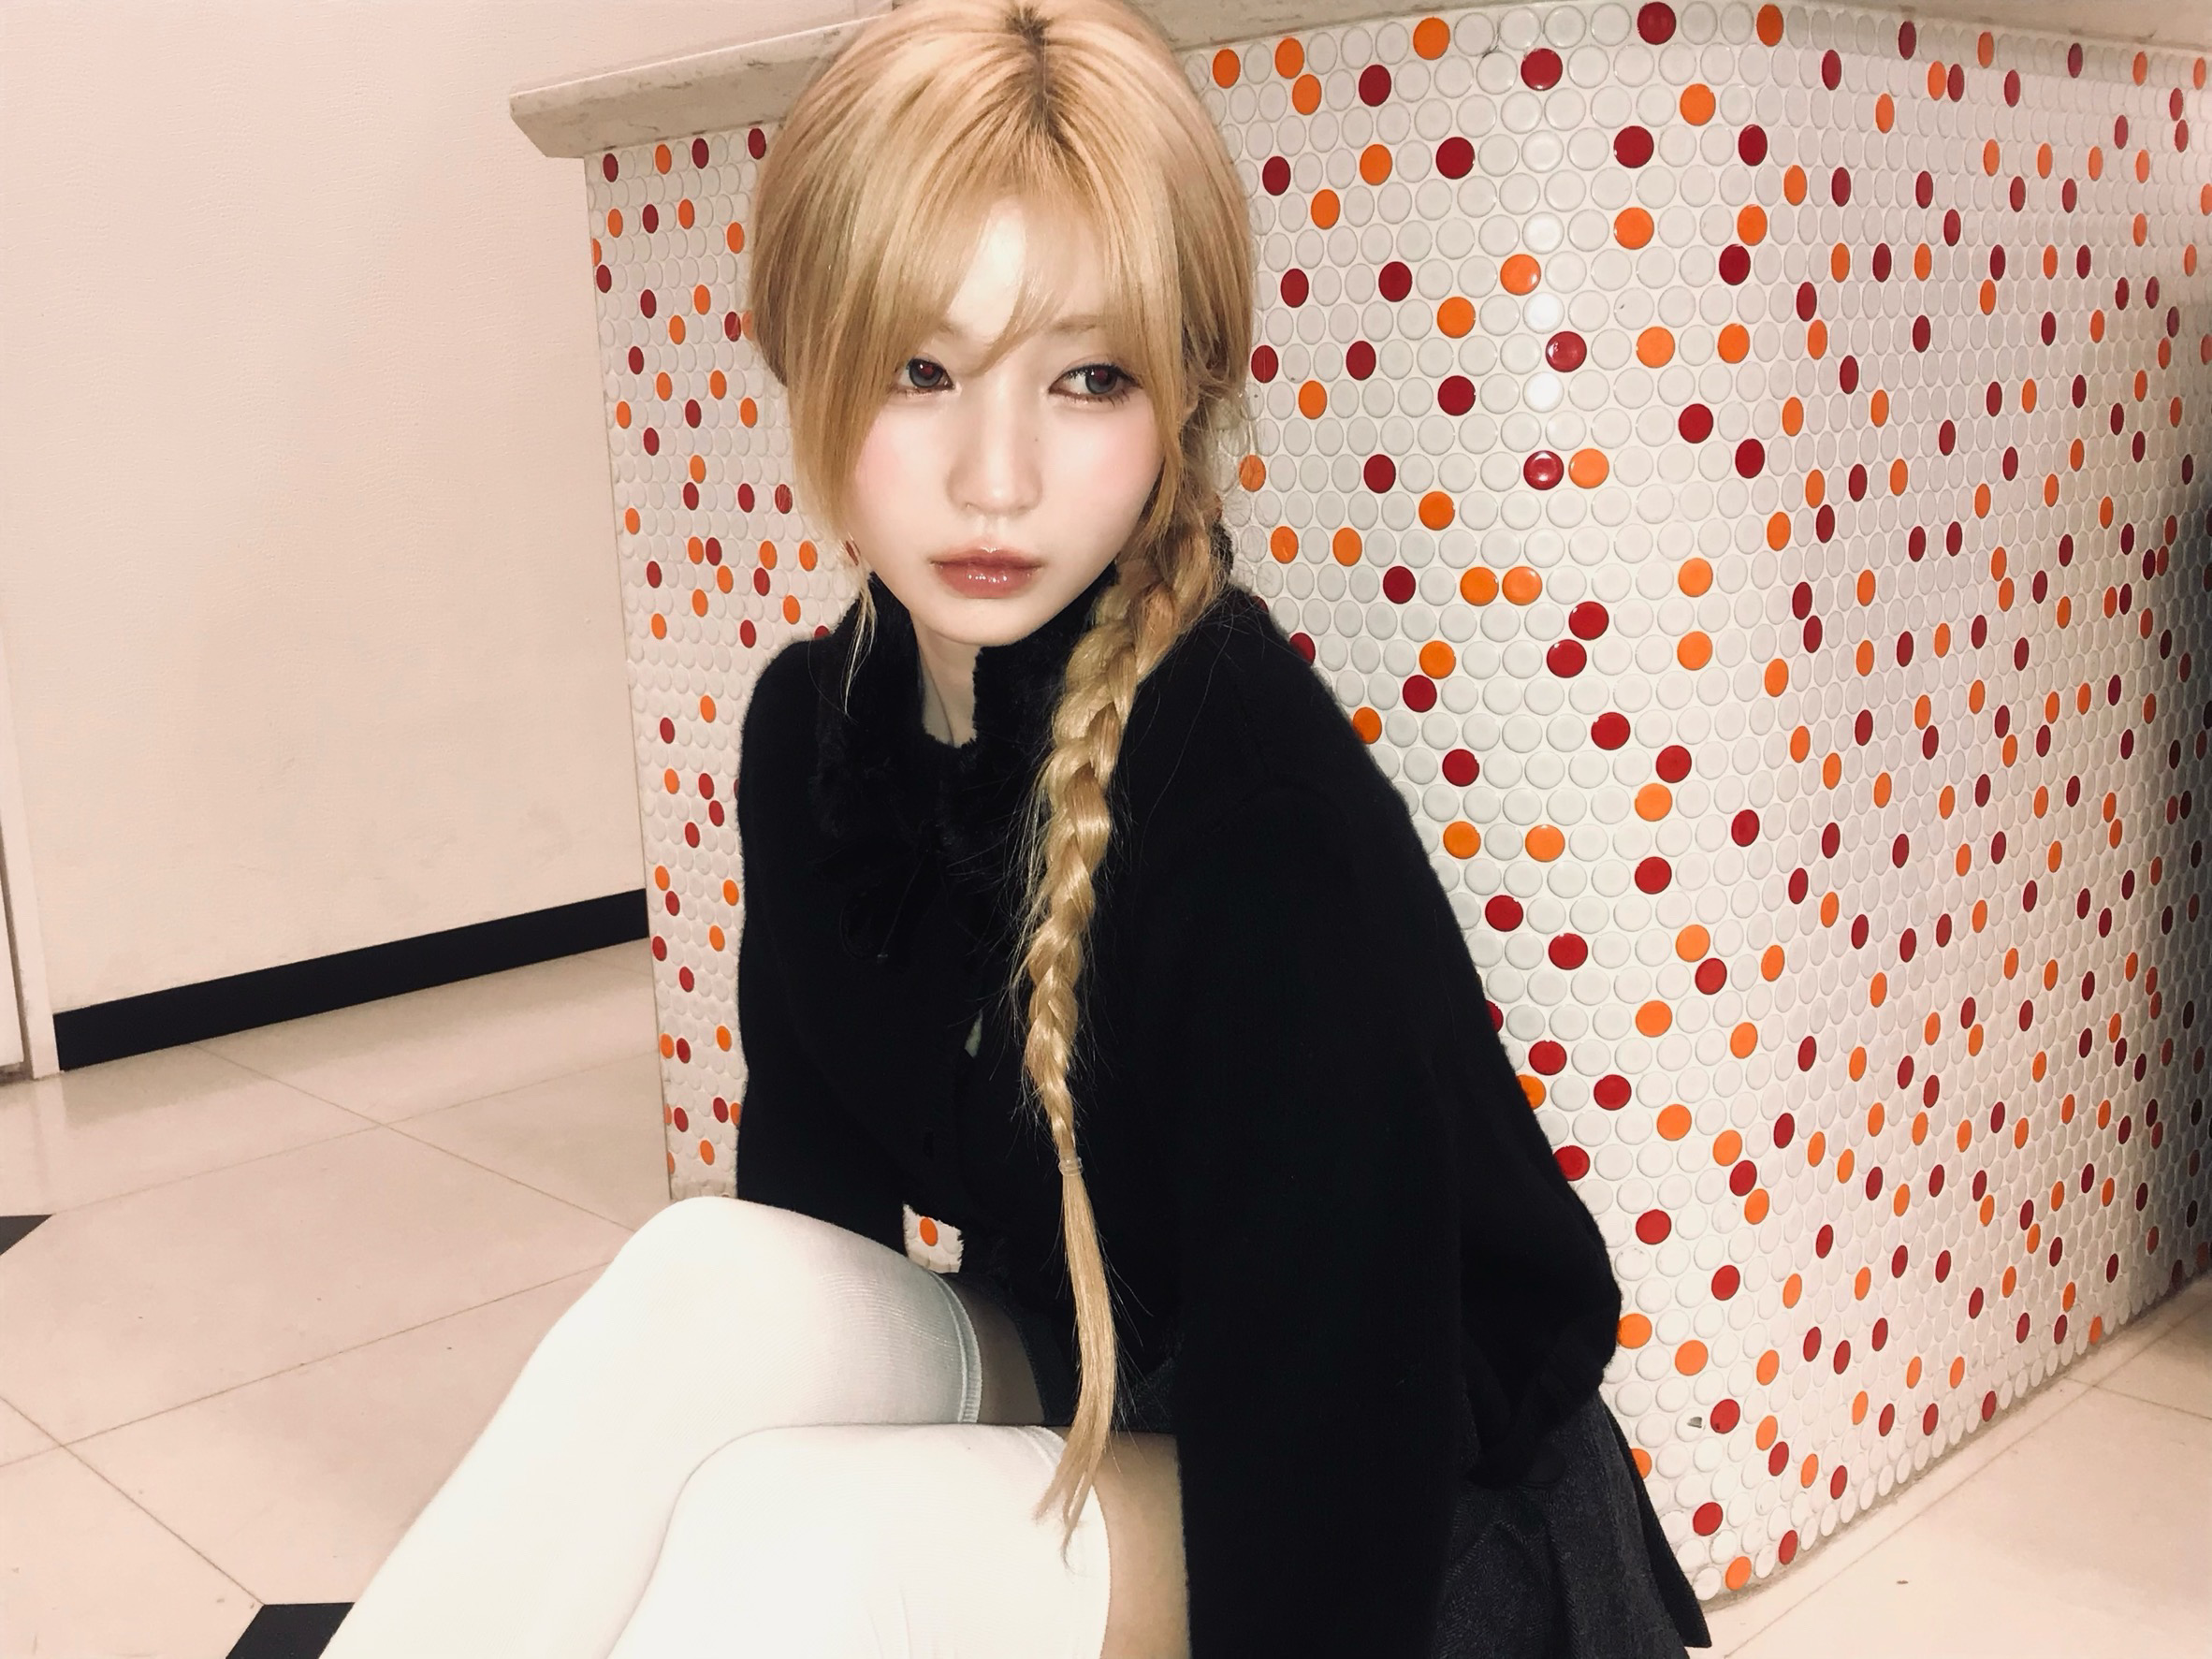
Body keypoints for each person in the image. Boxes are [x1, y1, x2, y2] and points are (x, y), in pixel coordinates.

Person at [323, 1, 1714, 1654]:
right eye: (922, 370)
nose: (997, 477)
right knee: (705, 1277)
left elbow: (1347, 1435)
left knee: (803, 1549)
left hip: (1395, 1508)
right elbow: (810, 1221)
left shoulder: (1244, 795)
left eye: (1087, 377)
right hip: (1105, 1366)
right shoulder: (815, 733)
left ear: (1181, 396)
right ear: (809, 358)